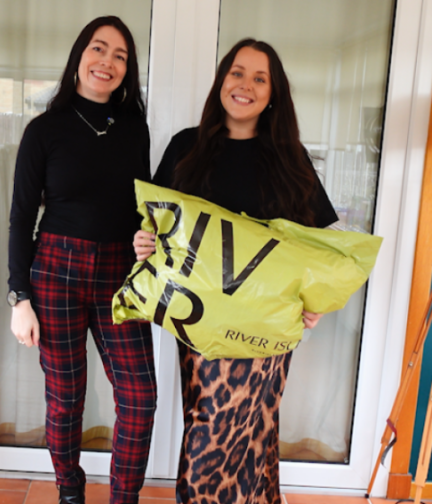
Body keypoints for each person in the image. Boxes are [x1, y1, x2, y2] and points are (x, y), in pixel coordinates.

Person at [134, 39, 338, 504]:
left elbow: (317, 244)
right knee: (212, 424)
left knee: (255, 425)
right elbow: (157, 224)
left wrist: (316, 303)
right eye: (237, 73)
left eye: (259, 78)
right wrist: (143, 243)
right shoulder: (187, 147)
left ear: (273, 94)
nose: (245, 85)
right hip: (200, 319)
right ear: (222, 80)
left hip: (268, 321)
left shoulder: (289, 158)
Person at [8, 16, 157, 504]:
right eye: (99, 48)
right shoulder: (43, 130)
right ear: (79, 57)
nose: (107, 62)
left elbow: (142, 211)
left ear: (128, 70)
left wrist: (146, 239)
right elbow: (21, 218)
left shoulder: (134, 130)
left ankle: (123, 499)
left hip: (120, 274)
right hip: (55, 271)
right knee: (66, 399)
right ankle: (70, 492)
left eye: (120, 56)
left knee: (140, 398)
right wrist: (19, 297)